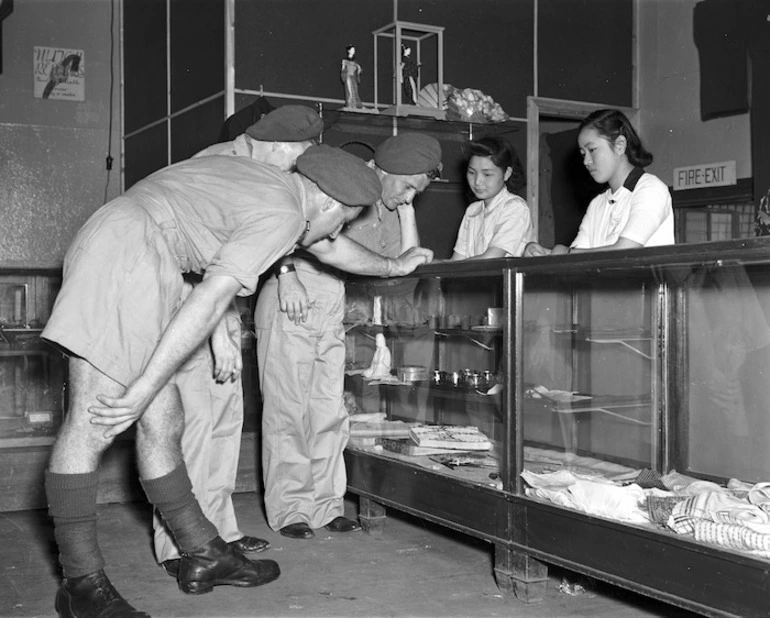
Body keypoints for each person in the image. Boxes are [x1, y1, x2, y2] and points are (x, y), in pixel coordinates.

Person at [41, 144, 390, 617]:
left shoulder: (268, 180)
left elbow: (327, 245)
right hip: (126, 253)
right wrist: (143, 385)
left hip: (134, 243)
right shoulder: (286, 213)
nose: (337, 232)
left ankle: (202, 552)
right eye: (344, 221)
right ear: (327, 204)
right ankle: (80, 584)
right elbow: (208, 298)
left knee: (164, 420)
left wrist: (394, 264)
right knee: (94, 418)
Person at [151, 105, 326, 580]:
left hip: (217, 305)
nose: (294, 172)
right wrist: (220, 330)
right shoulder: (221, 162)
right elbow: (207, 265)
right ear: (281, 145)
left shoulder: (256, 166)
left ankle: (217, 534)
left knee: (225, 421)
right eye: (297, 159)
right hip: (189, 304)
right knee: (194, 425)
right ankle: (179, 545)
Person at [255, 132, 443, 540]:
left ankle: (326, 506)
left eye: (418, 191)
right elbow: (289, 219)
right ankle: (291, 510)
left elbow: (404, 264)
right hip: (294, 288)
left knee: (328, 408)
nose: (409, 195)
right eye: (407, 185)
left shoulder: (388, 206)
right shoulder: (343, 177)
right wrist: (284, 274)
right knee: (289, 407)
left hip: (333, 294)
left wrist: (406, 207)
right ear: (384, 168)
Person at [524, 108, 674, 257]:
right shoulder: (598, 203)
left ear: (619, 145)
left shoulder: (650, 189)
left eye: (592, 150)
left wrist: (564, 252)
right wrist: (543, 252)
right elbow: (576, 256)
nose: (586, 161)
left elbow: (626, 250)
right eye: (583, 153)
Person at [450, 136, 533, 260]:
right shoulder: (473, 210)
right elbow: (457, 260)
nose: (477, 181)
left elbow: (491, 259)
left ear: (507, 174)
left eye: (487, 174)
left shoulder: (515, 207)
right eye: (472, 173)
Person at [341, 45, 363, 109]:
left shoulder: (356, 62)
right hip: (348, 76)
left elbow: (358, 70)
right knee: (349, 91)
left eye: (354, 50)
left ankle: (356, 105)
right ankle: (350, 105)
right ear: (348, 51)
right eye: (352, 50)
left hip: (353, 77)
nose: (353, 51)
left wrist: (359, 70)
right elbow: (343, 70)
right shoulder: (345, 61)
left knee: (355, 91)